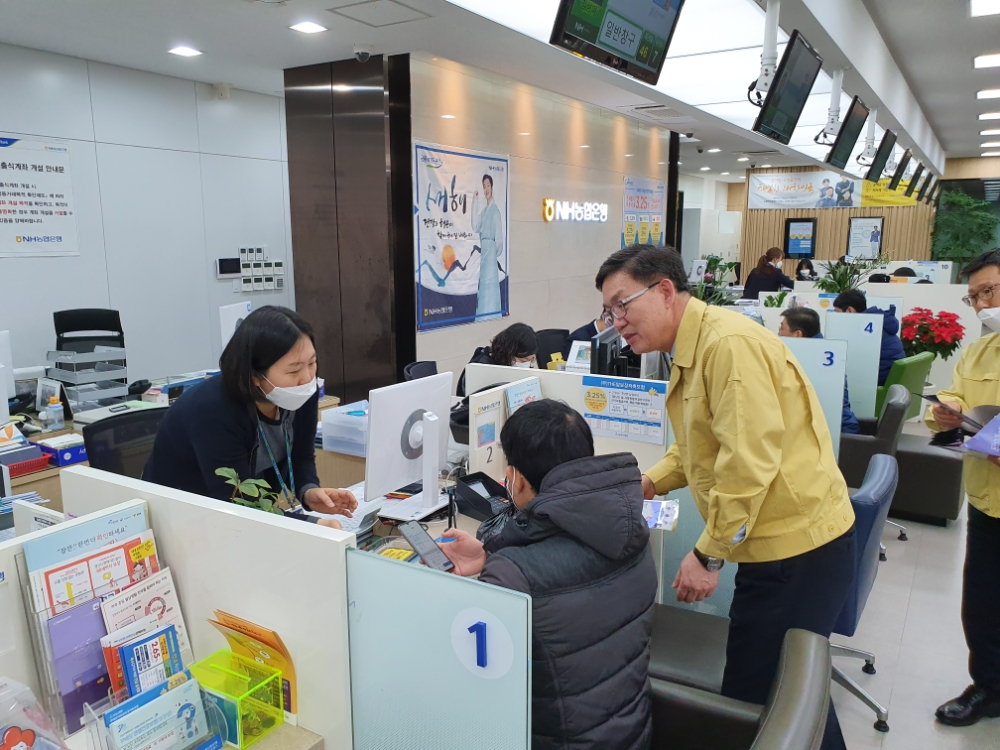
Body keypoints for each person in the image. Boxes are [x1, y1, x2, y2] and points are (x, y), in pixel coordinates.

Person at [596, 244, 856, 750]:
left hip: (798, 551)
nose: (616, 322)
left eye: (622, 304)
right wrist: (650, 481)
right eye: (609, 310)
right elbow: (703, 446)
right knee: (789, 697)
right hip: (779, 545)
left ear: (666, 290)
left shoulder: (726, 347)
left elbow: (747, 466)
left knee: (768, 700)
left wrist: (707, 555)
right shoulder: (697, 347)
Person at [437, 399, 657, 749]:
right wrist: (492, 553)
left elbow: (473, 680)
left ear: (518, 480)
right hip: (632, 734)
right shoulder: (631, 532)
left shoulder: (515, 575)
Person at [144, 306, 358, 528]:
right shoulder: (212, 413)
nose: (306, 378)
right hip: (180, 516)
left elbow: (301, 456)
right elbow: (238, 506)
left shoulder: (301, 392)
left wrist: (309, 491)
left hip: (243, 518)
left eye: (312, 363)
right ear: (255, 376)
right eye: (294, 371)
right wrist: (311, 524)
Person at [928, 249, 1000, 727]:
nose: (981, 305)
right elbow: (959, 394)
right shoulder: (979, 350)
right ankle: (989, 687)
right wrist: (947, 409)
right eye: (973, 297)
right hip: (986, 498)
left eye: (989, 292)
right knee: (983, 602)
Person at [778, 307, 860, 435]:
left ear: (797, 334)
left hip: (839, 437)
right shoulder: (822, 354)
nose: (778, 334)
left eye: (781, 328)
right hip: (838, 429)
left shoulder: (810, 361)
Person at [832, 290, 905, 385]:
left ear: (850, 310)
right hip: (889, 378)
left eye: (837, 312)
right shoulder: (878, 323)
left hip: (878, 382)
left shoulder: (863, 331)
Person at [456, 322, 537, 397]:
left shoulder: (507, 364)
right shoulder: (479, 368)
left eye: (531, 360)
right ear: (508, 353)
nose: (527, 364)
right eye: (523, 361)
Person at [471, 174, 504, 318]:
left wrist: (492, 254)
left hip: (490, 254)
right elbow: (475, 226)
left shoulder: (495, 211)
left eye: (488, 186)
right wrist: (475, 201)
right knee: (484, 285)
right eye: (484, 186)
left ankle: (492, 314)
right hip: (485, 254)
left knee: (490, 285)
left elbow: (500, 239)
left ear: (492, 187)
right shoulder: (484, 212)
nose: (486, 189)